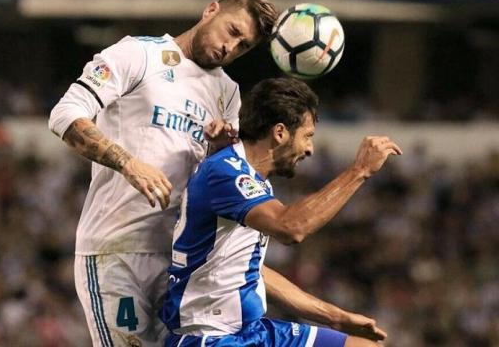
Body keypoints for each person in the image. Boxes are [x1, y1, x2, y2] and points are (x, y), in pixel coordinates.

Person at [48, 0, 277, 346]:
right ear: (210, 10)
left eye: (243, 46)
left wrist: (220, 149)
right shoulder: (139, 53)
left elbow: (220, 179)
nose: (230, 47)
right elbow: (64, 115)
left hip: (182, 263)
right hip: (117, 250)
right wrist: (128, 163)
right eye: (231, 31)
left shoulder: (228, 94)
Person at [160, 77, 402, 346]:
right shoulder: (226, 172)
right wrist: (360, 171)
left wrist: (334, 316)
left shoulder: (251, 179)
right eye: (307, 136)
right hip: (211, 336)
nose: (309, 149)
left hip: (253, 332)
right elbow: (291, 228)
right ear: (279, 132)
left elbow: (251, 270)